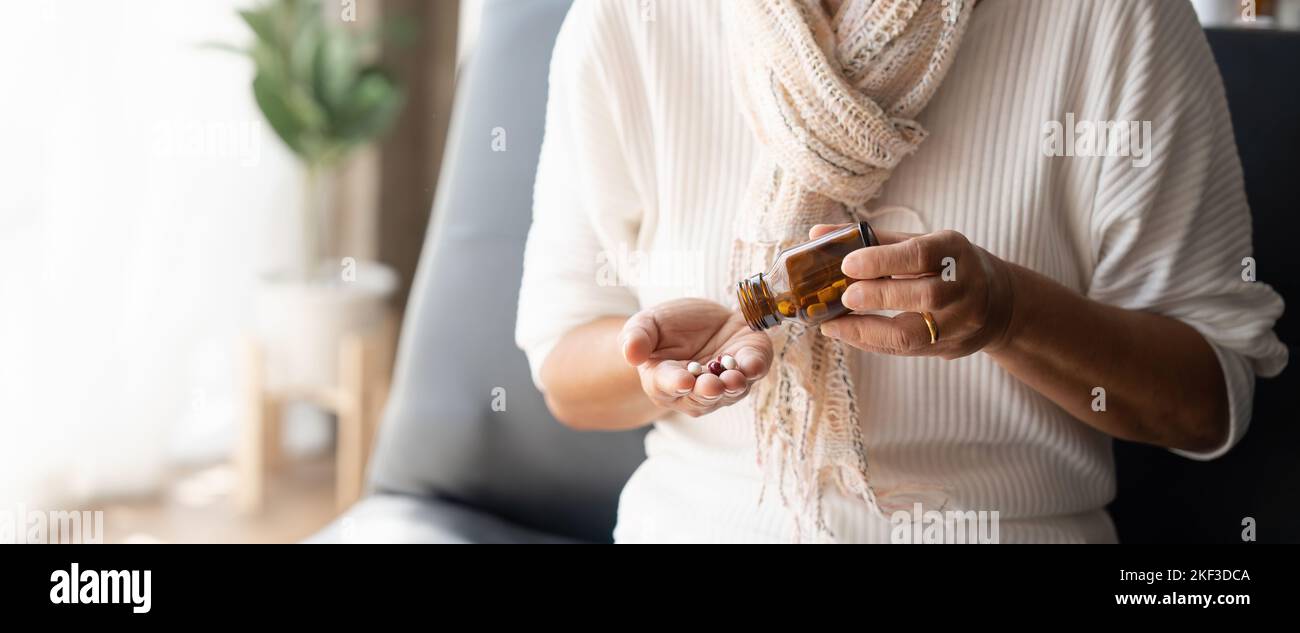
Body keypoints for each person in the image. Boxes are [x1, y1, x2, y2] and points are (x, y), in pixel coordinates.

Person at [515, 0, 1287, 543]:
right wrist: (661, 375)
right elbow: (565, 376)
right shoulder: (628, 19)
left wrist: (1009, 315)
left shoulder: (1117, 19)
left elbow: (1207, 401)